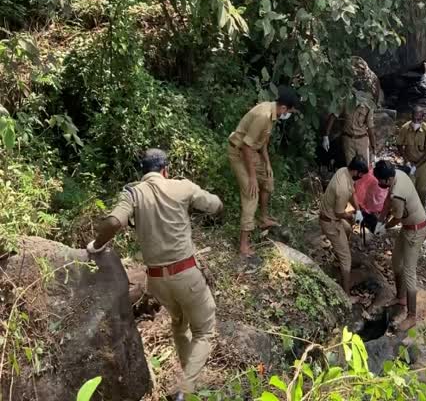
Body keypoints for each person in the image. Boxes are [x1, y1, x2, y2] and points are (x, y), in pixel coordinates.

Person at [87, 149, 223, 401]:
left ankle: (187, 380)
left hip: (157, 281)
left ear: (144, 171)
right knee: (205, 330)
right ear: (165, 169)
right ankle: (186, 391)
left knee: (180, 325)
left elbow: (115, 221)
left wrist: (96, 245)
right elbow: (215, 205)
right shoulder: (182, 187)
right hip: (186, 275)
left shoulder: (133, 192)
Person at [229, 86, 299, 256]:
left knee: (268, 179)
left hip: (252, 153)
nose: (289, 114)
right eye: (290, 111)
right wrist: (252, 177)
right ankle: (243, 245)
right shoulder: (263, 116)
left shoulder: (273, 114)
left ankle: (263, 218)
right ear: (283, 108)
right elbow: (246, 146)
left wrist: (267, 165)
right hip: (239, 152)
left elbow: (263, 143)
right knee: (251, 193)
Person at [373, 160, 426, 332]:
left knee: (409, 271)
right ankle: (401, 297)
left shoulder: (398, 194)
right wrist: (379, 221)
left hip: (416, 230)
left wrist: (384, 227)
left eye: (381, 181)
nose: (379, 184)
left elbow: (396, 217)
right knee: (396, 261)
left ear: (388, 179)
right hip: (407, 227)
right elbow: (386, 205)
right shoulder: (397, 174)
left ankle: (412, 316)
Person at [319, 157, 368, 297]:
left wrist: (358, 211)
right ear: (355, 171)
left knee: (348, 230)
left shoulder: (343, 171)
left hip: (332, 216)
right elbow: (339, 213)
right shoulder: (342, 189)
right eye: (361, 174)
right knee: (347, 258)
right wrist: (352, 217)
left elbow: (352, 192)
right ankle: (345, 293)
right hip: (330, 222)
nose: (361, 177)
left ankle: (338, 255)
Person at [323, 91, 377, 166]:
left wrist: (374, 151)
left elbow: (371, 128)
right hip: (348, 139)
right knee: (351, 168)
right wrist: (326, 136)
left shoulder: (368, 107)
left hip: (362, 140)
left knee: (364, 168)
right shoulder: (345, 102)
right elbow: (333, 116)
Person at [396, 108, 426, 208]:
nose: (416, 122)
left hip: (422, 164)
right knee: (408, 189)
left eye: (418, 120)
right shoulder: (405, 128)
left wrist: (416, 166)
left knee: (421, 190)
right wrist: (407, 161)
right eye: (414, 119)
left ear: (422, 118)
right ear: (411, 117)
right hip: (409, 162)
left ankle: (421, 212)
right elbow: (399, 144)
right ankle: (407, 212)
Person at [354, 168, 388, 238]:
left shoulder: (370, 175)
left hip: (364, 203)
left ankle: (370, 227)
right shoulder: (374, 179)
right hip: (368, 204)